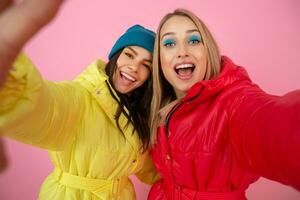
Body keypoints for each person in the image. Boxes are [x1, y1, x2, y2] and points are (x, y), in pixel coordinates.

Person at [0, 1, 160, 199]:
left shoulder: (138, 114)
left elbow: (149, 168)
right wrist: (10, 86)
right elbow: (48, 108)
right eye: (129, 55)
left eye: (146, 65)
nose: (134, 67)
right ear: (116, 56)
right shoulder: (82, 97)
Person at [148, 8, 300, 200]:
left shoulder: (233, 99)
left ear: (207, 49)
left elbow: (272, 124)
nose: (182, 52)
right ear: (159, 59)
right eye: (169, 43)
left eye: (193, 41)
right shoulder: (161, 104)